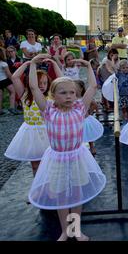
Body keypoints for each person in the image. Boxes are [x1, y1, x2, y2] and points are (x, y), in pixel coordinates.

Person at [27, 54, 106, 241]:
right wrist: (32, 64)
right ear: (53, 95)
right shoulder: (48, 110)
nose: (69, 96)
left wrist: (88, 65)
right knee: (61, 195)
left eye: (72, 92)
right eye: (63, 93)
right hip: (57, 158)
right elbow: (32, 87)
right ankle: (65, 230)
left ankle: (76, 229)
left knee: (77, 194)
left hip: (77, 157)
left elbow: (93, 86)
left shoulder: (80, 108)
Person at [5, 61, 59, 175]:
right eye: (39, 83)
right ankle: (37, 186)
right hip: (31, 133)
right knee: (35, 165)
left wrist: (54, 64)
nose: (42, 85)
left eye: (45, 83)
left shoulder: (51, 96)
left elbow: (61, 79)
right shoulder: (25, 95)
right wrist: (28, 63)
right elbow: (14, 77)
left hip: (47, 132)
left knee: (49, 163)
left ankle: (47, 185)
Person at [74, 80, 103, 156]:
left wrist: (90, 111)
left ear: (80, 89)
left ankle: (92, 147)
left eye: (75, 87)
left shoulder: (84, 97)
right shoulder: (72, 98)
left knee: (89, 134)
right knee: (78, 135)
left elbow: (94, 104)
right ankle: (79, 148)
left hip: (85, 120)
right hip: (76, 121)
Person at [0, 48, 17, 115]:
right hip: (5, 80)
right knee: (12, 92)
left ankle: (0, 110)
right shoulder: (3, 64)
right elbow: (9, 74)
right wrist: (14, 80)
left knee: (0, 95)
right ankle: (11, 108)